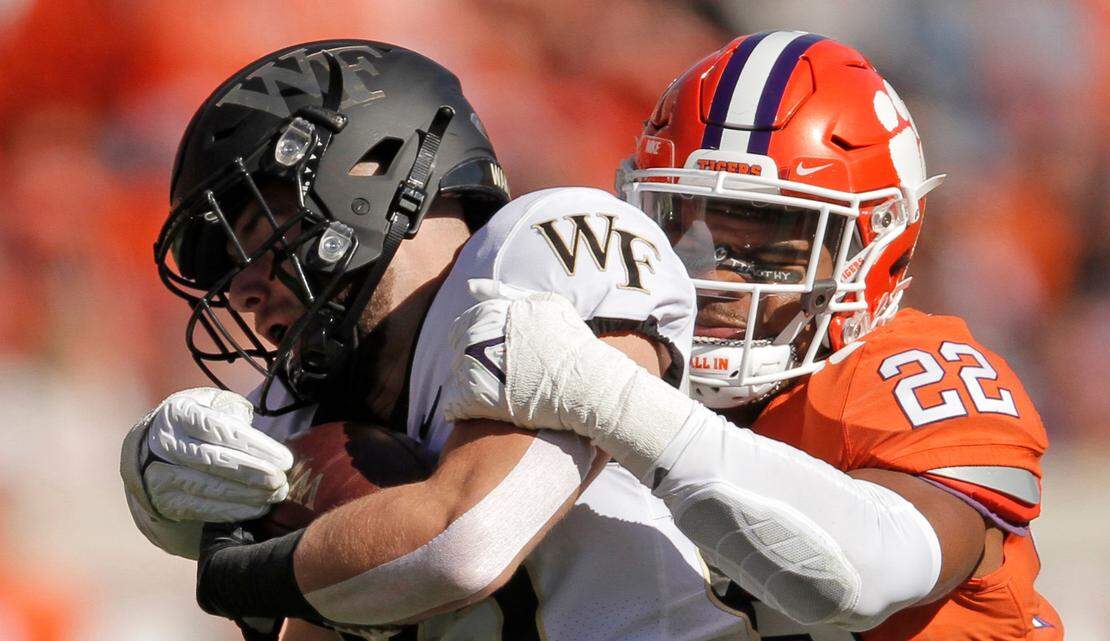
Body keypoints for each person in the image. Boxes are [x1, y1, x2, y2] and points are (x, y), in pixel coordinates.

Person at [118, 40, 754, 640]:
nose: (241, 291)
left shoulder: (541, 253)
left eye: (256, 235)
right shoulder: (307, 400)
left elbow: (470, 543)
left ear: (368, 170)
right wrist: (158, 488)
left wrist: (248, 579)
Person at [443, 31, 1063, 640]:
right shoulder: (629, 356)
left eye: (767, 246)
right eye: (682, 229)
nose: (710, 275)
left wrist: (608, 399)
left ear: (877, 252)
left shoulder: (911, 373)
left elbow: (864, 576)